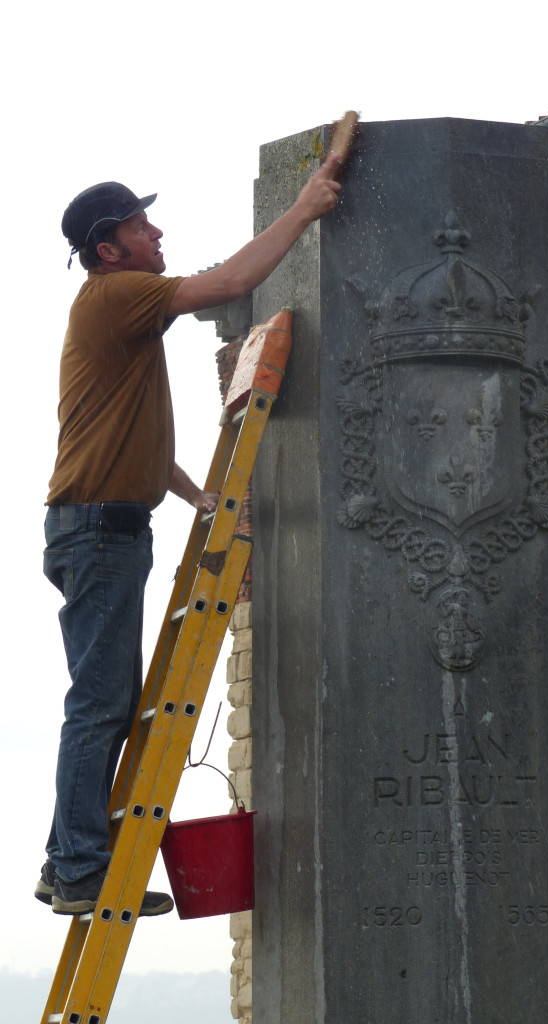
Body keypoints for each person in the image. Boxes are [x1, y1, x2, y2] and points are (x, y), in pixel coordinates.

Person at [37, 158, 341, 916]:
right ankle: (75, 867)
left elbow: (126, 437)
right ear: (110, 248)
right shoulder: (117, 294)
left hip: (101, 526)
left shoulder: (117, 308)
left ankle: (70, 862)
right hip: (100, 532)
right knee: (101, 704)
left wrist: (196, 494)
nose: (157, 232)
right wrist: (304, 208)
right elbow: (232, 282)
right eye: (142, 226)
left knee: (104, 700)